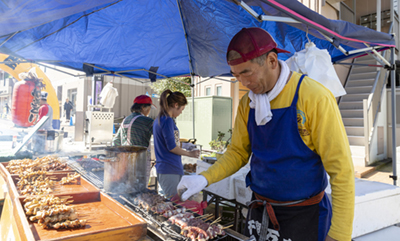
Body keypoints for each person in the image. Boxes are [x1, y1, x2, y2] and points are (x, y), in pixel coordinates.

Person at [178, 28, 354, 241]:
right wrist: (204, 178)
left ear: (271, 60)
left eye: (247, 72)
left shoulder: (314, 98)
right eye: (236, 75)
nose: (243, 82)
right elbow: (237, 153)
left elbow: (341, 171)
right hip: (260, 210)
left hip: (304, 215)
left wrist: (339, 235)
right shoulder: (247, 104)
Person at [153, 90, 200, 198]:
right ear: (176, 105)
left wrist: (186, 146)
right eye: (182, 109)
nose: (181, 112)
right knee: (174, 204)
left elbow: (171, 143)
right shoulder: (167, 120)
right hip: (169, 168)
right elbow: (172, 147)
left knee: (175, 202)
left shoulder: (161, 119)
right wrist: (190, 154)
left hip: (168, 168)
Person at [112, 95, 155, 182]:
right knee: (140, 188)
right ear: (143, 107)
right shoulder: (146, 121)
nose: (149, 111)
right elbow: (161, 136)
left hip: (125, 161)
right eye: (149, 108)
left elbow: (116, 141)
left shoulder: (126, 119)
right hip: (140, 161)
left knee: (127, 186)